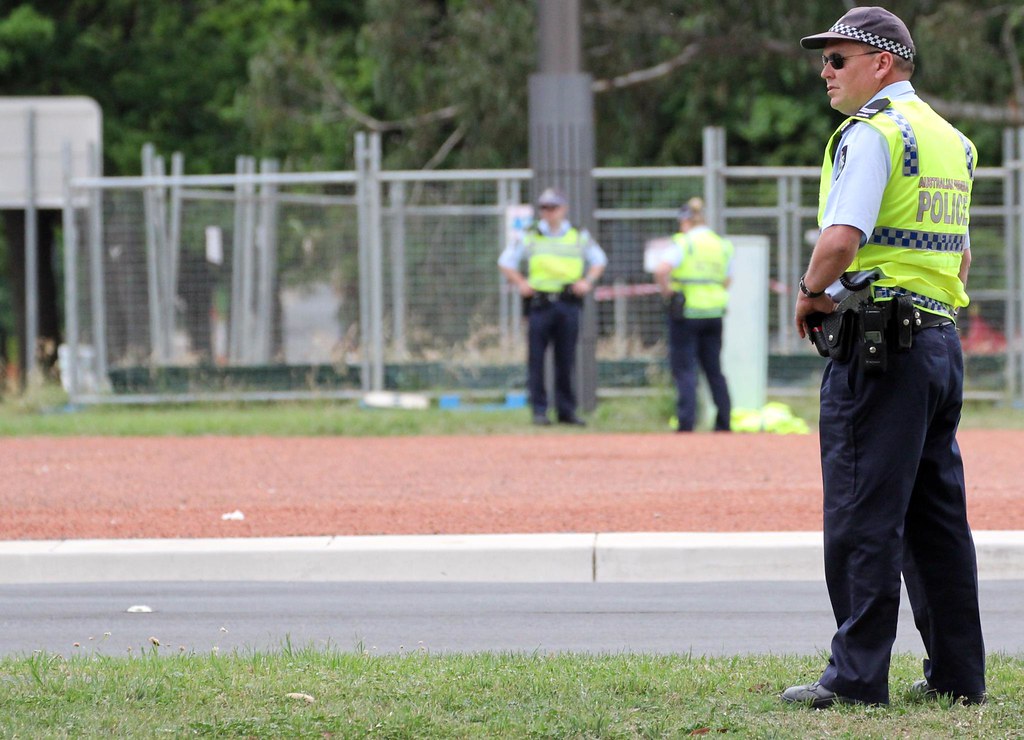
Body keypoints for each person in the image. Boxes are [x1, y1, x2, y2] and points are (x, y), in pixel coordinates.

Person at [784, 7, 986, 707]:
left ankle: (855, 678)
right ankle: (960, 676)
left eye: (838, 59)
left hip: (879, 344)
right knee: (937, 519)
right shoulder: (952, 140)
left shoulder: (873, 133)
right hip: (938, 342)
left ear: (884, 62)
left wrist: (811, 293)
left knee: (862, 514)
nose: (825, 72)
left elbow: (842, 238)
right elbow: (958, 252)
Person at [498, 187, 607, 426]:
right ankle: (539, 411)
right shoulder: (530, 234)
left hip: (568, 304)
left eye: (553, 207)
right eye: (544, 208)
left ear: (564, 209)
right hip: (540, 304)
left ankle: (566, 411)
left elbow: (599, 260)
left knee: (566, 360)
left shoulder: (578, 235)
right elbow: (505, 262)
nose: (548, 212)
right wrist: (521, 283)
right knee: (536, 360)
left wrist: (586, 282)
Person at [654, 197, 733, 432]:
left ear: (686, 221)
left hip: (687, 313)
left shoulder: (683, 243)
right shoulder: (721, 244)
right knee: (714, 370)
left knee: (685, 370)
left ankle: (686, 423)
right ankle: (724, 422)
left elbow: (661, 270)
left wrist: (668, 292)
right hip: (714, 313)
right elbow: (728, 279)